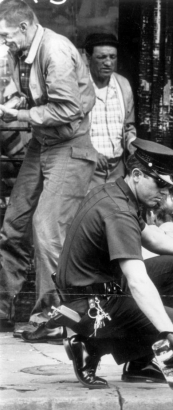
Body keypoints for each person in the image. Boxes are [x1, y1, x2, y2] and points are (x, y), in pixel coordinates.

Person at [22, 138, 173, 387]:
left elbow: (151, 237)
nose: (164, 193)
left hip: (91, 293)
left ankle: (140, 363)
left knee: (171, 266)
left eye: (168, 187)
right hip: (91, 307)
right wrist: (167, 332)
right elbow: (137, 281)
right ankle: (91, 345)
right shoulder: (119, 212)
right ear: (137, 174)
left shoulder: (116, 192)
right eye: (159, 184)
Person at [0, 0, 97, 335]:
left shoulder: (55, 50)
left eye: (6, 35)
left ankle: (58, 320)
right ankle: (2, 309)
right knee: (14, 224)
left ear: (25, 27)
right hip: (43, 143)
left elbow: (69, 110)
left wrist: (21, 116)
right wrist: (17, 104)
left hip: (70, 147)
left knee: (47, 229)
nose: (3, 42)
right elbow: (36, 96)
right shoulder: (20, 52)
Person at [84, 32, 136, 188]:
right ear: (88, 58)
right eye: (102, 57)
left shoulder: (123, 85)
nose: (108, 63)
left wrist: (133, 145)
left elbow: (128, 127)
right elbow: (71, 131)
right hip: (87, 169)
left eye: (112, 57)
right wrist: (89, 150)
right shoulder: (79, 86)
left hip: (117, 169)